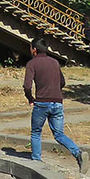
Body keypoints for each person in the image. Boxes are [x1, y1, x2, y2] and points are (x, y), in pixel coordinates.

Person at [23, 38, 84, 171]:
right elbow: (62, 82)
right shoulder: (55, 62)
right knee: (59, 134)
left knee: (36, 133)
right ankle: (78, 153)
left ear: (34, 49)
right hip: (57, 102)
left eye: (30, 47)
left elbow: (27, 86)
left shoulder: (32, 64)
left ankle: (37, 162)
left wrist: (30, 98)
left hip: (41, 103)